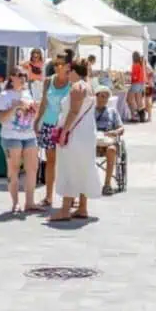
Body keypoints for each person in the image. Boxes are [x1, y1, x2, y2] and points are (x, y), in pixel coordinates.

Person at [50, 58, 101, 221]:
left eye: (68, 71)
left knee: (69, 167)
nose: (66, 74)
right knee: (83, 167)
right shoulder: (89, 87)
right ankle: (82, 207)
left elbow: (73, 112)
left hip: (76, 134)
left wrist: (65, 131)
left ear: (74, 72)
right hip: (86, 133)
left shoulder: (77, 87)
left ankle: (65, 209)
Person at [0, 68, 39, 213]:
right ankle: (15, 203)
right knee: (14, 169)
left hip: (29, 135)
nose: (22, 78)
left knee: (32, 168)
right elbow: (1, 118)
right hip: (11, 136)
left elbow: (34, 115)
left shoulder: (28, 93)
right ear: (11, 77)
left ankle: (30, 202)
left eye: (24, 76)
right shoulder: (4, 95)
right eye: (19, 75)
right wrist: (15, 107)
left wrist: (35, 109)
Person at [34, 51, 72, 209]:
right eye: (55, 64)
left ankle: (70, 196)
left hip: (65, 126)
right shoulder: (48, 81)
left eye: (61, 64)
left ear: (68, 66)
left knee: (68, 162)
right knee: (50, 161)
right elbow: (43, 102)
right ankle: (49, 196)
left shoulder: (72, 83)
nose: (57, 67)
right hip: (49, 124)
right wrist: (37, 121)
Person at [94, 86, 124, 196]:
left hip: (108, 139)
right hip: (93, 139)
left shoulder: (113, 111)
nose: (104, 99)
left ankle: (107, 184)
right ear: (96, 96)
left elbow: (121, 128)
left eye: (107, 97)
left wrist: (115, 132)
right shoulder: (89, 111)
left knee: (111, 150)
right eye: (102, 96)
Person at [128, 51, 146, 121]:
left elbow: (135, 76)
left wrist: (130, 75)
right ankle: (142, 116)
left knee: (129, 99)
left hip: (136, 83)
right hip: (141, 83)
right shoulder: (141, 64)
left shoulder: (135, 65)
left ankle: (135, 114)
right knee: (139, 100)